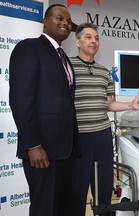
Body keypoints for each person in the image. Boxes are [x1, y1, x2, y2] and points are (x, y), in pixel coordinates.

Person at [69, 23, 139, 216]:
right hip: (78, 136)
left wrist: (130, 105)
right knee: (76, 189)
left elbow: (109, 104)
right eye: (88, 37)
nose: (93, 41)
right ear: (78, 41)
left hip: (103, 134)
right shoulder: (68, 67)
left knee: (103, 186)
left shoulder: (104, 72)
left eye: (96, 37)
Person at [9, 4, 78, 216]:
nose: (65, 23)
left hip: (66, 151)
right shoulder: (29, 48)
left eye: (68, 21)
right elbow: (21, 99)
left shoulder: (63, 57)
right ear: (45, 21)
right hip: (42, 150)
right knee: (44, 209)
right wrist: (33, 145)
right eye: (59, 18)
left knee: (62, 208)